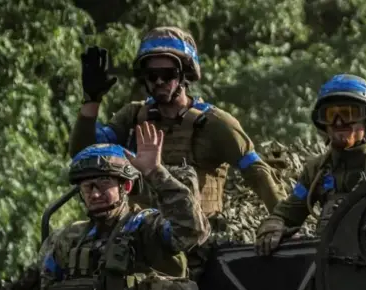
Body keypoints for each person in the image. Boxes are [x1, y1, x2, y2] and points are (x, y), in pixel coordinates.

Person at [0, 122, 210, 290]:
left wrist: (155, 173)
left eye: (103, 184)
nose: (95, 194)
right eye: (87, 187)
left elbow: (192, 231)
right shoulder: (67, 239)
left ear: (125, 185)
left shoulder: (146, 227)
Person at [68, 26, 285, 219]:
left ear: (184, 75)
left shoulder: (215, 124)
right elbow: (85, 153)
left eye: (168, 74)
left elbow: (256, 172)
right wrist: (91, 102)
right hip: (142, 237)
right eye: (152, 75)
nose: (160, 81)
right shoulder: (133, 117)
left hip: (198, 239)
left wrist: (281, 221)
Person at [255, 74, 366, 256]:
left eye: (348, 114)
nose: (338, 122)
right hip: (329, 270)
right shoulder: (316, 171)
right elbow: (288, 212)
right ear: (322, 123)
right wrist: (275, 224)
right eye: (330, 115)